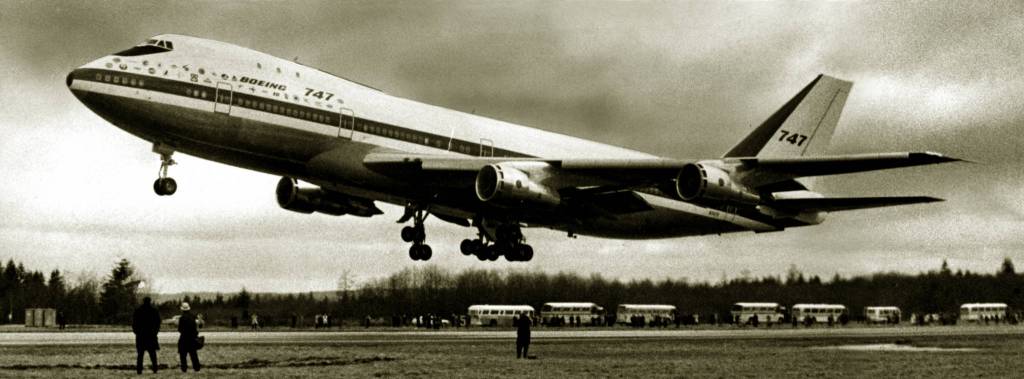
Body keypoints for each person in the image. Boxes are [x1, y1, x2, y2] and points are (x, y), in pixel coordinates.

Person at [132, 297, 161, 374]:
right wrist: (155, 332)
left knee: (140, 354)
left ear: (143, 301)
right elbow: (158, 323)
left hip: (141, 335)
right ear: (150, 301)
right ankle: (155, 369)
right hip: (151, 335)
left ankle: (139, 370)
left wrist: (137, 332)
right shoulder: (154, 311)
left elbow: (134, 323)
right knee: (152, 354)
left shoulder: (138, 311)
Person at [177, 302, 201, 372]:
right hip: (192, 338)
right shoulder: (193, 316)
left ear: (182, 310)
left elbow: (179, 329)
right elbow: (197, 326)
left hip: (184, 338)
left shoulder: (181, 318)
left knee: (183, 355)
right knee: (193, 354)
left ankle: (184, 368)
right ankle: (197, 368)